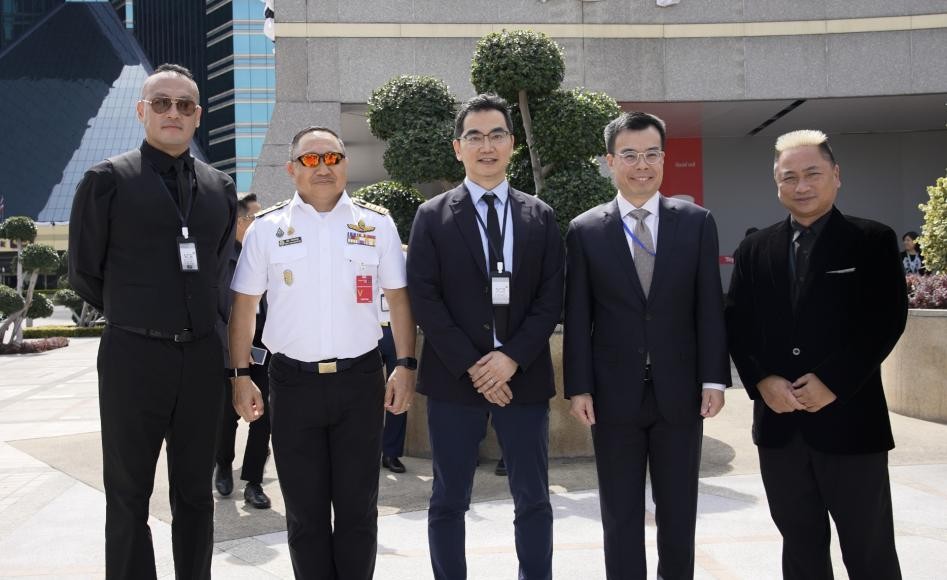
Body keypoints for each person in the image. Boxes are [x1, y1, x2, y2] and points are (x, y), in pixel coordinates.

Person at [68, 63, 237, 579]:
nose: (173, 113)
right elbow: (84, 273)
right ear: (141, 111)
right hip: (133, 357)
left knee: (194, 494)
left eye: (185, 105)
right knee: (127, 496)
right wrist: (140, 311)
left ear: (198, 117)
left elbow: (221, 272)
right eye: (161, 103)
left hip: (201, 359)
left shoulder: (219, 187)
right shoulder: (106, 181)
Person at [228, 126, 416, 580]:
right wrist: (240, 374)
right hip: (293, 385)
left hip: (360, 381)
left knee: (358, 511)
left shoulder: (377, 224)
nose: (323, 167)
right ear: (292, 169)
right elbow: (245, 307)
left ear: (346, 165)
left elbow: (399, 298)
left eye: (332, 157)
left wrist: (406, 365)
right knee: (305, 514)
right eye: (310, 160)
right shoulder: (268, 229)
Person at [725, 129, 907, 579]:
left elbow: (885, 321)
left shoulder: (872, 240)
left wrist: (834, 382)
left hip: (852, 423)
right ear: (776, 182)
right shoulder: (754, 249)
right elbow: (736, 323)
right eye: (790, 177)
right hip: (780, 428)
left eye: (812, 174)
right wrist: (762, 381)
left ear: (836, 176)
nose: (801, 186)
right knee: (801, 550)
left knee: (870, 551)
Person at [564, 111, 730, 580]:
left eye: (652, 154)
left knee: (679, 511)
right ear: (610, 161)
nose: (642, 165)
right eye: (630, 155)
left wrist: (715, 378)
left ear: (663, 158)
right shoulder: (586, 230)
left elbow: (709, 307)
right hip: (613, 395)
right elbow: (578, 315)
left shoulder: (696, 222)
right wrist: (579, 387)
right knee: (619, 513)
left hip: (680, 392)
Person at [407, 93, 564, 580]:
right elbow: (425, 300)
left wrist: (511, 358)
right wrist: (478, 366)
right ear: (458, 148)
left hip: (523, 376)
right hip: (457, 379)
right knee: (449, 498)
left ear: (512, 144)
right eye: (474, 136)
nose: (486, 145)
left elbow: (551, 298)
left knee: (534, 497)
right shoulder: (432, 216)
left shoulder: (540, 215)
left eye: (497, 134)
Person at [214, 193, 272, 509]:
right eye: (254, 218)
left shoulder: (267, 253)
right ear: (238, 222)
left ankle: (253, 482)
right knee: (227, 416)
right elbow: (215, 313)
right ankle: (223, 464)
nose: (260, 223)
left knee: (264, 417)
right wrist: (237, 346)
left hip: (265, 348)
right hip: (229, 352)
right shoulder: (220, 259)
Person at [378, 284, 408, 474]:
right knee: (362, 396)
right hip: (368, 331)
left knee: (398, 394)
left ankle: (391, 452)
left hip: (395, 331)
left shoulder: (402, 260)